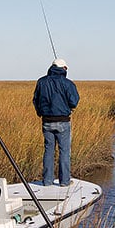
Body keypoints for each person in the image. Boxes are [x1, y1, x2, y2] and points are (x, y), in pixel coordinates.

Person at [32, 58, 80, 186]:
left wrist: (39, 112)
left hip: (46, 121)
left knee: (48, 151)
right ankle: (64, 181)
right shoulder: (68, 83)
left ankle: (47, 181)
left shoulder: (41, 82)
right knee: (64, 152)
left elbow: (35, 100)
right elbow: (74, 101)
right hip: (63, 122)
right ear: (63, 68)